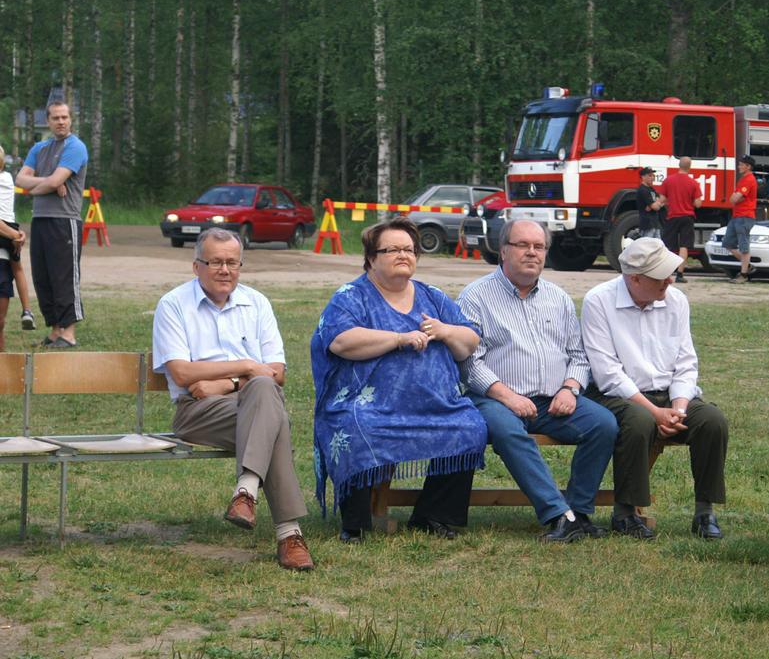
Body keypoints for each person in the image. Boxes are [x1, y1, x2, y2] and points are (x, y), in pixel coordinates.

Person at [310, 218, 487, 543]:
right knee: (354, 426)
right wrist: (398, 338)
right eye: (393, 249)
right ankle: (356, 523)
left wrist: (445, 331)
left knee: (469, 426)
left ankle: (432, 516)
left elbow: (469, 341)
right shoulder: (351, 296)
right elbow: (340, 341)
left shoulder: (432, 297)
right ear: (372, 257)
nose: (403, 255)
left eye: (409, 249)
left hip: (436, 405)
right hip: (367, 403)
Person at [152, 227, 314, 571]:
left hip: (250, 403)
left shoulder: (257, 303)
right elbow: (182, 374)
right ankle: (289, 535)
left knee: (265, 392)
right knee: (274, 420)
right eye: (215, 262)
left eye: (232, 262)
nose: (224, 270)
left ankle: (246, 494)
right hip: (196, 413)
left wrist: (223, 382)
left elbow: (277, 374)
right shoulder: (173, 305)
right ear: (196, 266)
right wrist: (245, 366)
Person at [457, 219, 618, 543]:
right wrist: (506, 396)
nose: (532, 253)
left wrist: (570, 389)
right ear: (503, 251)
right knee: (506, 429)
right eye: (523, 245)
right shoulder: (476, 297)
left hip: (552, 400)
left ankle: (579, 513)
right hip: (493, 399)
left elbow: (578, 354)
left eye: (539, 246)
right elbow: (468, 361)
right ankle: (558, 514)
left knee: (603, 424)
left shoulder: (557, 298)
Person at [581, 238, 728, 539]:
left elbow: (686, 362)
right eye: (661, 275)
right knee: (639, 421)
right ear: (634, 278)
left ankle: (704, 511)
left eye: (670, 272)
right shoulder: (599, 301)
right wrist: (655, 412)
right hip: (616, 395)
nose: (670, 280)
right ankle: (625, 512)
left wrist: (679, 409)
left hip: (669, 396)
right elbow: (608, 373)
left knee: (712, 421)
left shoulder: (676, 300)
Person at [15, 100, 88, 348]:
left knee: (64, 277)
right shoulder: (39, 148)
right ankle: (56, 331)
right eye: (56, 118)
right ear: (48, 121)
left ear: (71, 119)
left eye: (65, 117)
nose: (61, 122)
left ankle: (69, 333)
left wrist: (37, 186)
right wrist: (49, 183)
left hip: (65, 221)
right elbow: (20, 178)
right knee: (43, 277)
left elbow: (39, 182)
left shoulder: (76, 147)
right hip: (40, 219)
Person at [0, 145, 36, 330]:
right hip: (12, 227)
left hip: (2, 228)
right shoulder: (7, 178)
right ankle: (27, 310)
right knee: (18, 269)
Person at [659, 157, 703, 284]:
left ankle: (664, 273)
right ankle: (680, 274)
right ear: (689, 167)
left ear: (679, 165)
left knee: (668, 246)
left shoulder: (668, 180)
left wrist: (671, 201)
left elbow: (662, 200)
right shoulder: (693, 183)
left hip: (672, 216)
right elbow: (698, 204)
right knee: (684, 246)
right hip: (687, 217)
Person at [724, 155, 758, 283]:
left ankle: (743, 275)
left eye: (741, 164)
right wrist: (736, 198)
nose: (739, 166)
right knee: (728, 243)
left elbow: (734, 198)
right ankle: (747, 266)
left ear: (748, 167)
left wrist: (736, 198)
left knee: (744, 246)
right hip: (737, 215)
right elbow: (734, 199)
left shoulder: (749, 180)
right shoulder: (744, 179)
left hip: (745, 216)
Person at [636, 167, 665, 239]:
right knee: (647, 247)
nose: (652, 178)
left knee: (657, 246)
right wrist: (656, 204)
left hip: (655, 224)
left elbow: (661, 202)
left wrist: (654, 204)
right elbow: (656, 207)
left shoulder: (651, 189)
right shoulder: (643, 190)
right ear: (643, 177)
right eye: (650, 175)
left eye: (653, 175)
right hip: (647, 225)